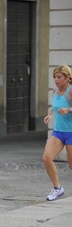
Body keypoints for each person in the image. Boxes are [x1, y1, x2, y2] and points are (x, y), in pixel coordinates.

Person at [43, 64, 72, 201]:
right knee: (47, 158)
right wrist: (50, 115)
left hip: (71, 132)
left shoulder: (70, 91)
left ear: (67, 78)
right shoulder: (55, 90)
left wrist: (69, 110)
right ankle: (57, 188)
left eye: (59, 77)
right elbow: (56, 106)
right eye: (55, 77)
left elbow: (67, 108)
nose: (56, 80)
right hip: (58, 132)